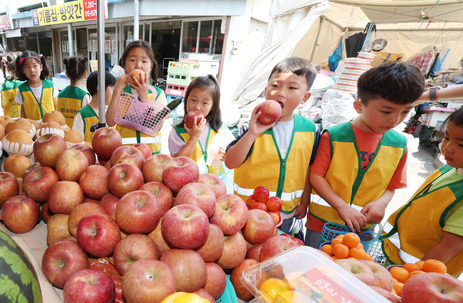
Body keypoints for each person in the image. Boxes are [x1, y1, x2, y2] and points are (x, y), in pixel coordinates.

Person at [304, 62, 426, 247]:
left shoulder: (399, 144)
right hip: (323, 224)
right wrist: (341, 206)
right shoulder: (334, 137)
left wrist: (381, 204)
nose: (395, 119)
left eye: (406, 111)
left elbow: (392, 186)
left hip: (364, 229)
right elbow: (316, 176)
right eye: (386, 111)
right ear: (358, 106)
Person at [225, 57, 318, 231]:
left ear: (305, 97)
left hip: (287, 212)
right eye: (275, 86)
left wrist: (304, 202)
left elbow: (309, 169)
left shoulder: (310, 130)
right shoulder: (252, 126)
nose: (281, 93)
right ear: (266, 90)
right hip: (250, 210)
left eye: (292, 88)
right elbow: (230, 162)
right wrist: (252, 133)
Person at [381, 106, 463, 276]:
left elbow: (450, 246)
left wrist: (414, 279)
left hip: (420, 275)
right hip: (399, 263)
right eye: (446, 137)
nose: (447, 148)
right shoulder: (450, 169)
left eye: (461, 144)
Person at [106, 40, 167, 154]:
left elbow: (155, 125)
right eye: (132, 60)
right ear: (124, 63)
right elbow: (110, 121)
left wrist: (144, 96)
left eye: (144, 61)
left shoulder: (158, 94)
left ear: (151, 66)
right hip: (126, 153)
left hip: (151, 154)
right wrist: (117, 91)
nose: (138, 65)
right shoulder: (120, 92)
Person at [169, 75, 234, 175]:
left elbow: (232, 151)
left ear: (213, 106)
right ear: (186, 100)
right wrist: (193, 138)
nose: (197, 107)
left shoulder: (220, 129)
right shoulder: (177, 132)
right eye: (193, 100)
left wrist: (226, 154)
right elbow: (179, 162)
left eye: (204, 103)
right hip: (187, 184)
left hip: (213, 184)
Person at [73, 70, 117, 142]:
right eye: (112, 89)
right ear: (100, 88)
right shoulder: (82, 115)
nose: (114, 94)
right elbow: (76, 143)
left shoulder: (111, 114)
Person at [14, 51, 58, 120]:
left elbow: (56, 108)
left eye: (35, 66)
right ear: (23, 70)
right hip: (33, 127)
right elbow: (23, 113)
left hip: (50, 125)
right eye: (27, 67)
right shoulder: (22, 89)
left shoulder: (50, 86)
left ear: (41, 67)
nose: (32, 70)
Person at [58, 56, 91, 128]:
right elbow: (87, 118)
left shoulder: (60, 94)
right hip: (78, 135)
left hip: (63, 133)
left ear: (66, 74)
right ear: (85, 75)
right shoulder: (84, 96)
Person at [1, 52, 24, 118]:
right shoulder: (26, 83)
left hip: (9, 120)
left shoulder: (3, 86)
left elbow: (2, 106)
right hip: (25, 120)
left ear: (6, 68)